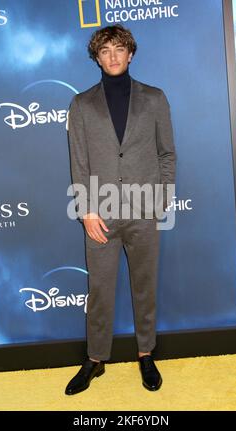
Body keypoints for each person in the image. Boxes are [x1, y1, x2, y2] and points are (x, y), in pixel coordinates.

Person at [65, 24, 176, 395]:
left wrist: (161, 198)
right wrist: (86, 210)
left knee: (145, 286)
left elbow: (166, 153)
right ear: (96, 57)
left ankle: (146, 353)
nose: (112, 57)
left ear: (130, 54)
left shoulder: (155, 98)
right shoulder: (81, 104)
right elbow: (78, 162)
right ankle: (95, 359)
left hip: (144, 209)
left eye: (119, 49)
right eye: (105, 51)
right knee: (99, 289)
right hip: (101, 213)